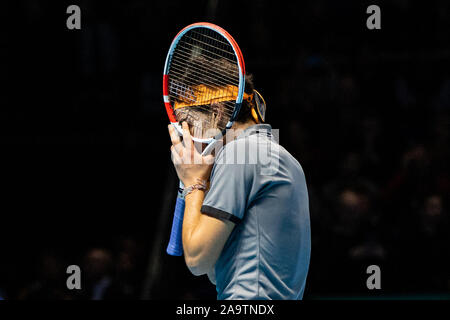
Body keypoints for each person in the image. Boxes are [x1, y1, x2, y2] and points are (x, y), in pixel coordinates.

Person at [168, 75, 311, 300]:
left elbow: (197, 259)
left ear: (216, 113)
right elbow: (215, 270)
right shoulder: (285, 158)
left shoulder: (240, 153)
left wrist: (191, 184)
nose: (188, 137)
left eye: (188, 123)